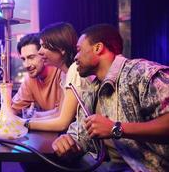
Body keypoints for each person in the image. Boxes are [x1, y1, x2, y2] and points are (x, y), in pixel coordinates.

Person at [52, 24, 169, 171]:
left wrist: (116, 128)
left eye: (79, 50)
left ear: (98, 48)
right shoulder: (92, 90)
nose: (75, 57)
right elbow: (81, 138)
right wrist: (67, 142)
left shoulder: (140, 72)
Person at [26, 22, 92, 132]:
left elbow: (62, 123)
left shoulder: (75, 70)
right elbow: (58, 112)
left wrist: (25, 124)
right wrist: (30, 118)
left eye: (45, 46)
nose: (40, 51)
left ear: (62, 49)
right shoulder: (64, 73)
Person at [0, 33, 64, 122]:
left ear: (43, 54)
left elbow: (61, 114)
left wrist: (31, 119)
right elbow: (14, 109)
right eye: (23, 59)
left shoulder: (60, 72)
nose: (26, 65)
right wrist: (4, 114)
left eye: (31, 57)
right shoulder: (30, 79)